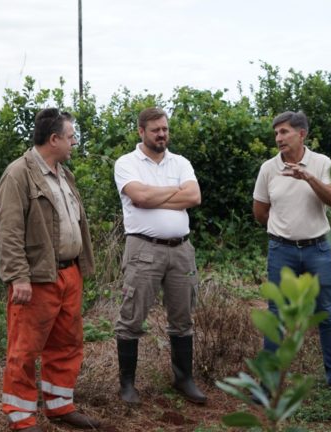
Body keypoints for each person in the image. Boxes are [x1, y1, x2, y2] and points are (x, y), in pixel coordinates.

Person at [0, 108, 100, 431]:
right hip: (37, 278)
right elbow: (8, 231)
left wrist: (80, 269)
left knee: (67, 343)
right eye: (70, 137)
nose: (74, 143)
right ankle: (20, 415)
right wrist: (18, 277)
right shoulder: (18, 174)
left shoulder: (63, 174)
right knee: (25, 348)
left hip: (69, 274)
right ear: (53, 139)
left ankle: (60, 406)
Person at [252, 110, 331, 403]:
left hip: (318, 250)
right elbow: (260, 212)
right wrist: (282, 227)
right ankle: (268, 385)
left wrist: (309, 177)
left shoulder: (322, 163)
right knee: (275, 316)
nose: (278, 138)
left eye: (284, 132)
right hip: (281, 250)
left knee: (327, 316)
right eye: (276, 133)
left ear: (302, 134)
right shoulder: (268, 168)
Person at [113, 107, 207, 405]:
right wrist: (171, 192)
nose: (162, 134)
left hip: (181, 250)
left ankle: (184, 379)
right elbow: (138, 198)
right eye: (155, 130)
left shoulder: (180, 162)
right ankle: (127, 386)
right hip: (143, 249)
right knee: (132, 318)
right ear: (141, 131)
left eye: (165, 129)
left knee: (182, 318)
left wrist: (154, 195)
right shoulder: (127, 163)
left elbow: (194, 197)